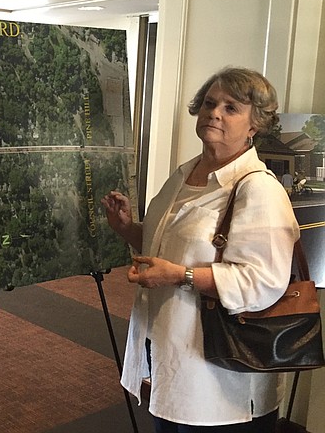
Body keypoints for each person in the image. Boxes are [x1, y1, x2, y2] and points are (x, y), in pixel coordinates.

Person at [102, 67, 298, 432]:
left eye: (231, 108)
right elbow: (168, 246)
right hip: (170, 353)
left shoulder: (258, 189)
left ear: (254, 125)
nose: (214, 113)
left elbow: (263, 282)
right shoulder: (183, 175)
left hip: (223, 379)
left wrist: (180, 276)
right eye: (210, 103)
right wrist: (129, 229)